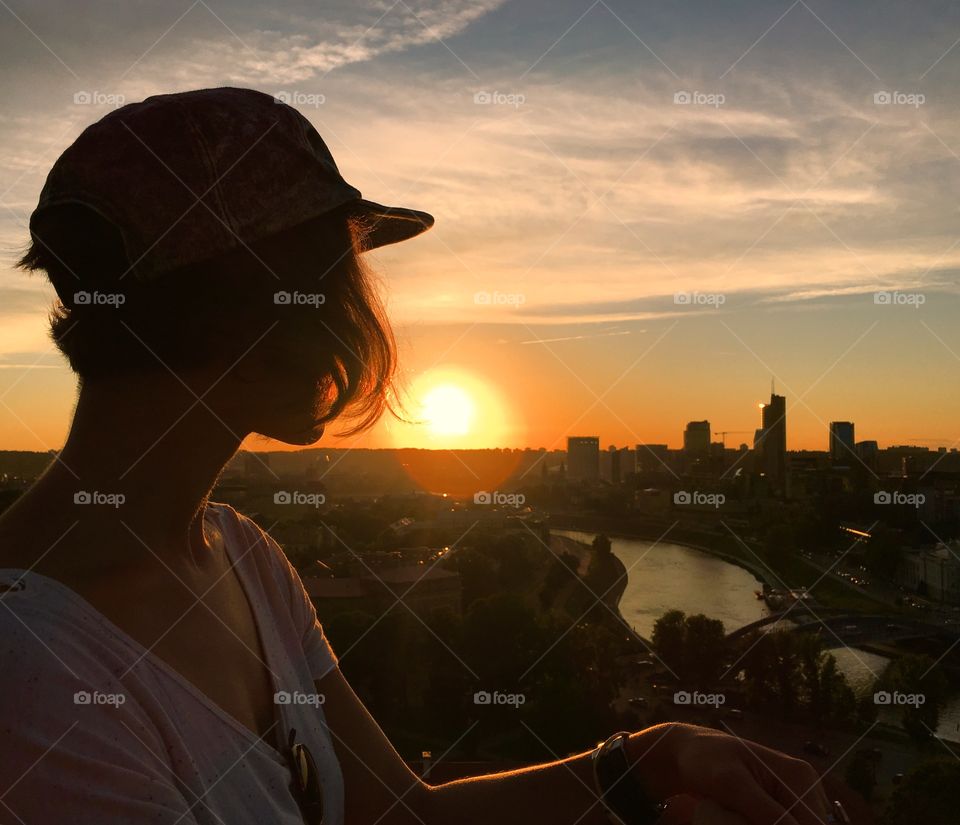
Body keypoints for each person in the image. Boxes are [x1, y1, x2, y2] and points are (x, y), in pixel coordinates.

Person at [0, 87, 838, 825]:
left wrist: (648, 759)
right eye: (342, 277)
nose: (357, 317)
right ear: (248, 307)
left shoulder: (244, 557)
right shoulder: (30, 677)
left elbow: (400, 814)